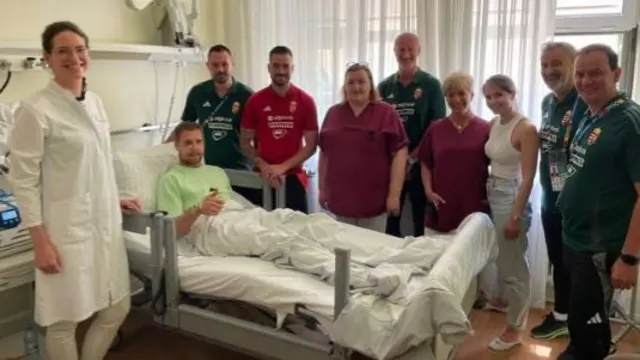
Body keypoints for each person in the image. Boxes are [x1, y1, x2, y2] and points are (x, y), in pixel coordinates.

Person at [7, 21, 142, 360]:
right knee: (63, 322)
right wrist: (40, 242)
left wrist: (113, 197)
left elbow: (96, 163)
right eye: (63, 51)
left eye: (80, 49)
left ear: (88, 54)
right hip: (64, 231)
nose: (74, 57)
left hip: (103, 225)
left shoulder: (95, 103)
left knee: (116, 308)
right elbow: (23, 181)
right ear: (47, 58)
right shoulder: (36, 110)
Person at [556, 44, 640, 360]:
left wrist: (630, 258)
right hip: (576, 240)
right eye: (580, 74)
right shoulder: (593, 114)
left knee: (589, 335)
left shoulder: (629, 121)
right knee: (581, 323)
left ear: (616, 74)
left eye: (596, 73)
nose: (586, 80)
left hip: (599, 248)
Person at [531, 41, 587, 341]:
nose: (550, 70)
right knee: (558, 261)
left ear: (573, 64)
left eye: (557, 64)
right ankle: (562, 315)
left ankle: (577, 322)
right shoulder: (547, 103)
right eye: (544, 65)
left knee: (575, 266)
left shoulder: (584, 101)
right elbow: (554, 152)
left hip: (575, 204)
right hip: (550, 196)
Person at [482, 74, 539, 351]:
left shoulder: (526, 128)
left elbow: (528, 177)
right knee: (503, 260)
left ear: (512, 94)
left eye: (499, 95)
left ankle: (515, 328)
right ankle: (508, 309)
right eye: (489, 97)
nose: (494, 102)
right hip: (492, 191)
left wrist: (516, 215)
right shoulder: (494, 123)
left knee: (514, 266)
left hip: (511, 196)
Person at [318, 63, 408, 233]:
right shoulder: (333, 113)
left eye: (361, 82)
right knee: (344, 252)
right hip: (341, 201)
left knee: (372, 254)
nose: (356, 87)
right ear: (344, 87)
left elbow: (400, 153)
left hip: (374, 202)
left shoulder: (386, 113)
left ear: (370, 85)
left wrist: (394, 195)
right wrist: (322, 189)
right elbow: (324, 153)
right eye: (350, 82)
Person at [168, 44, 259, 205]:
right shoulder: (198, 93)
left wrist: (262, 163)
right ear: (208, 66)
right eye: (215, 65)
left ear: (232, 64)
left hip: (241, 171)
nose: (221, 69)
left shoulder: (246, 95)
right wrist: (163, 149)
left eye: (225, 64)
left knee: (245, 215)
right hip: (209, 171)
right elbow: (185, 127)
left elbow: (258, 134)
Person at [378, 32, 447, 238]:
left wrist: (412, 158)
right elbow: (380, 127)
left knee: (420, 221)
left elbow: (435, 126)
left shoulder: (431, 85)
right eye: (401, 49)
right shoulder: (384, 86)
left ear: (419, 51)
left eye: (410, 49)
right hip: (391, 165)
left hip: (421, 165)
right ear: (394, 52)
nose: (406, 54)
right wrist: (397, 161)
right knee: (390, 220)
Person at [240, 46, 319, 213]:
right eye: (276, 66)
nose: (281, 71)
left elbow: (311, 145)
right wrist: (265, 167)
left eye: (285, 66)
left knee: (297, 232)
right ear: (269, 68)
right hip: (262, 177)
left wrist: (282, 167)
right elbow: (245, 142)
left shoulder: (306, 101)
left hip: (293, 178)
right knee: (262, 232)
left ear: (292, 68)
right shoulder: (255, 101)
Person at [417, 72, 491, 233]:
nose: (456, 99)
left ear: (471, 95)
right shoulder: (435, 128)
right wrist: (428, 191)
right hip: (441, 205)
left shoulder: (486, 128)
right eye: (450, 95)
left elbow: (497, 164)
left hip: (474, 205)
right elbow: (425, 163)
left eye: (461, 93)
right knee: (438, 255)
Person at [156, 121, 229, 235]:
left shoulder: (218, 172)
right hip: (208, 230)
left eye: (198, 142)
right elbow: (172, 230)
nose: (195, 148)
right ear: (177, 146)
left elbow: (231, 205)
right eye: (188, 143)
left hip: (234, 218)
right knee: (262, 236)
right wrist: (198, 209)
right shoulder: (171, 179)